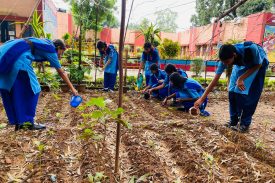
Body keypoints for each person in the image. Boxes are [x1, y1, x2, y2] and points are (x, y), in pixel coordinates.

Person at [0, 37, 78, 131]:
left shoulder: (43, 43)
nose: (60, 56)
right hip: (18, 60)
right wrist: (73, 89)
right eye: (61, 52)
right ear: (58, 47)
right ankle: (27, 122)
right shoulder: (51, 49)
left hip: (6, 57)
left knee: (13, 90)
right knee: (34, 90)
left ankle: (19, 122)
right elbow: (61, 72)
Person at [194, 42, 269, 133]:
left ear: (234, 55)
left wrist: (241, 78)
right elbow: (215, 80)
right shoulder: (225, 59)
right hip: (240, 63)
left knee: (247, 94)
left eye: (227, 62)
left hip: (257, 64)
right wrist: (202, 98)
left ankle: (244, 124)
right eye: (224, 62)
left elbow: (258, 64)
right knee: (232, 91)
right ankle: (233, 121)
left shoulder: (250, 49)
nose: (226, 64)